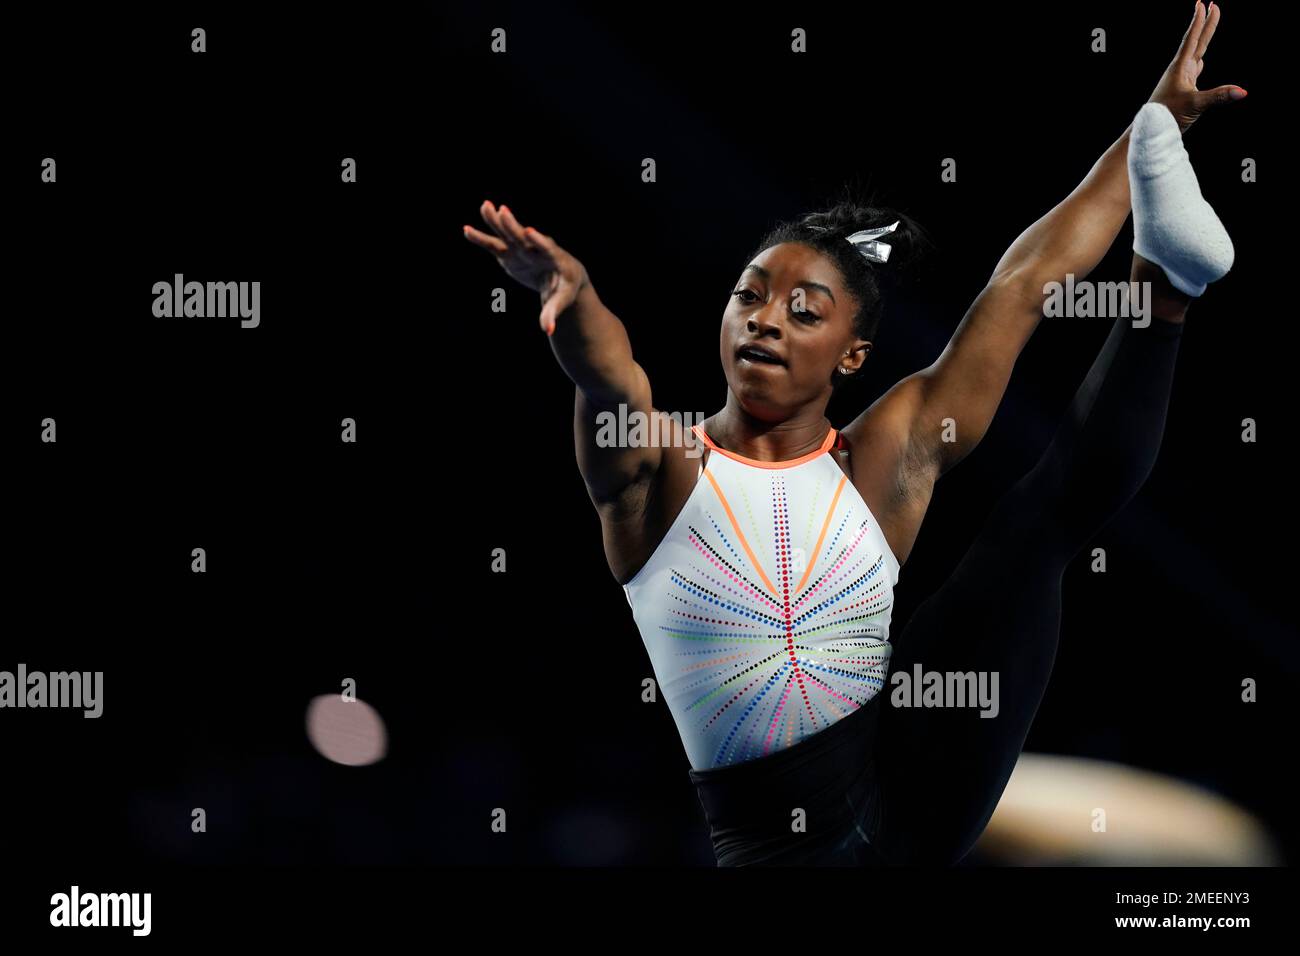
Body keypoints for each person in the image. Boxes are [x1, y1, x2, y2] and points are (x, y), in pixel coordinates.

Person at [463, 2, 1242, 865]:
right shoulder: (660, 471)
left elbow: (1025, 282)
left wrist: (1152, 133)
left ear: (852, 354)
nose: (765, 321)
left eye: (804, 312)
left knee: (1038, 527)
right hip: (791, 848)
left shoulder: (889, 448)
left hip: (921, 762)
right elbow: (608, 374)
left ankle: (1163, 288)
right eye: (749, 296)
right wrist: (572, 296)